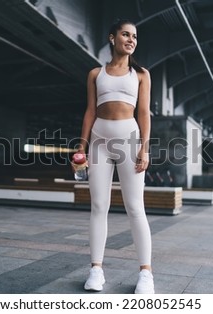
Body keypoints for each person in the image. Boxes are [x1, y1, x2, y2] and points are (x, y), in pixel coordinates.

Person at [72, 19, 154, 294]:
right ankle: (96, 269)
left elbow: (143, 113)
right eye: (126, 34)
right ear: (112, 38)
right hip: (99, 142)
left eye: (135, 36)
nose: (131, 40)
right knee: (98, 206)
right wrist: (81, 146)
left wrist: (145, 147)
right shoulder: (96, 74)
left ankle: (146, 274)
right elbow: (90, 111)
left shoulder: (141, 74)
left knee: (135, 207)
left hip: (130, 140)